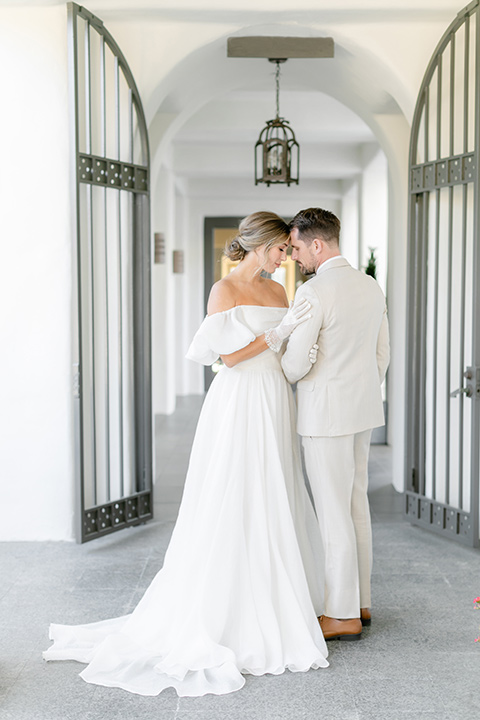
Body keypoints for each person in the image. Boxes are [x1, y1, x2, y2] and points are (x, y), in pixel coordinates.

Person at [43, 211, 329, 696]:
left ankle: (281, 598)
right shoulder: (224, 291)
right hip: (239, 399)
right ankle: (228, 606)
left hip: (275, 395)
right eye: (281, 249)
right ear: (261, 245)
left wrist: (300, 344)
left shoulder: (281, 293)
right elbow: (228, 357)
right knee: (235, 488)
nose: (286, 259)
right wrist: (276, 335)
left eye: (288, 251)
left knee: (275, 487)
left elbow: (281, 355)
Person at [281, 207, 390, 641]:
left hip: (325, 414)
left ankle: (341, 614)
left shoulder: (313, 292)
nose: (295, 257)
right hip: (362, 409)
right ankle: (361, 601)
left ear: (317, 244)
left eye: (297, 247)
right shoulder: (370, 286)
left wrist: (296, 364)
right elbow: (382, 354)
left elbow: (292, 365)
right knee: (355, 505)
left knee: (332, 512)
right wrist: (359, 387)